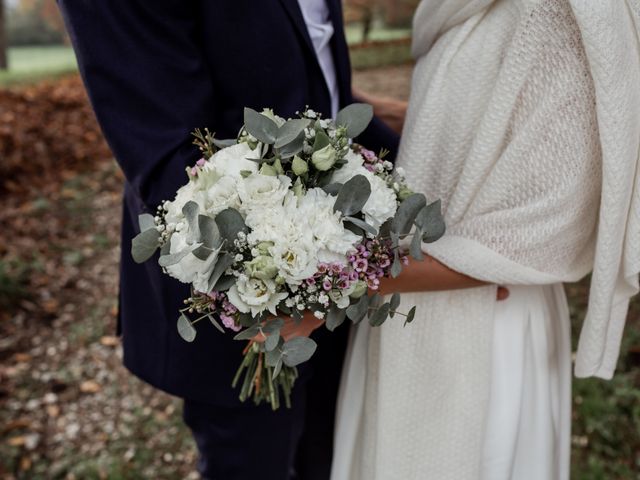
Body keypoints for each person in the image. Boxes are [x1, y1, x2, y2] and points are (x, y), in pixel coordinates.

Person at [56, 1, 398, 479]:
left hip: (338, 275)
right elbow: (169, 151)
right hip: (234, 295)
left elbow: (315, 88)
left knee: (328, 455)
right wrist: (296, 277)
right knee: (253, 458)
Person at [331, 1, 640, 479]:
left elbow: (535, 233)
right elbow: (489, 116)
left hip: (484, 332)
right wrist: (384, 115)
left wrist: (330, 278)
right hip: (398, 311)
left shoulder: (566, 16)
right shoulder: (463, 6)